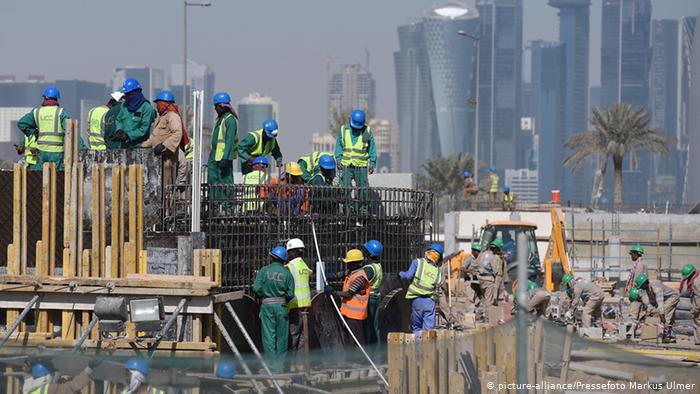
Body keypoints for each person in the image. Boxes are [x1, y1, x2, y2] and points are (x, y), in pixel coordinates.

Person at [252, 246, 295, 370]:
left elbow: (256, 288)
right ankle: (279, 367)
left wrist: (265, 294)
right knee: (282, 337)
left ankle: (271, 366)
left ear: (272, 257)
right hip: (282, 308)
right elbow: (291, 294)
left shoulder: (264, 271)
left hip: (267, 307)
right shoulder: (287, 274)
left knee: (269, 336)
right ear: (283, 260)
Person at [141, 90, 184, 211]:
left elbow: (177, 133)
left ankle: (168, 215)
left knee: (167, 188)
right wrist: (141, 147)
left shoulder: (172, 116)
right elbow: (154, 138)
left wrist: (164, 145)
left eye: (158, 103)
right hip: (158, 159)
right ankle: (160, 213)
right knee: (158, 188)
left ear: (165, 103)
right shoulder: (162, 117)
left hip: (167, 160)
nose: (156, 106)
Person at [334, 109, 376, 214]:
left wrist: (372, 163)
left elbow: (372, 148)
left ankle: (363, 211)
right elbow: (339, 146)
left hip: (361, 166)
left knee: (363, 190)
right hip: (346, 165)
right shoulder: (343, 130)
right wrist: (338, 159)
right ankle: (349, 209)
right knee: (345, 188)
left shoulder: (367, 132)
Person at [325, 249, 371, 344]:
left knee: (355, 341)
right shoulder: (352, 272)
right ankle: (351, 358)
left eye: (348, 263)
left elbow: (349, 294)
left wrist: (333, 292)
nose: (347, 264)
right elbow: (341, 274)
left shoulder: (359, 277)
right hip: (348, 313)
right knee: (348, 339)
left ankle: (359, 359)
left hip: (355, 316)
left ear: (354, 264)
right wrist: (332, 275)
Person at [17, 86, 70, 170]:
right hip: (56, 152)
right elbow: (69, 130)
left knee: (40, 177)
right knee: (58, 177)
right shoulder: (61, 112)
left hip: (41, 152)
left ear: (45, 98)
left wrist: (33, 132)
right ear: (56, 99)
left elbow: (22, 123)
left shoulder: (36, 112)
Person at [400, 243, 444, 333]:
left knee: (416, 326)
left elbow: (407, 276)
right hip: (430, 302)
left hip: (417, 300)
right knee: (428, 330)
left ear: (427, 252)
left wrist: (400, 273)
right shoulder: (438, 271)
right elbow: (440, 283)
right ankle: (427, 346)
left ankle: (418, 345)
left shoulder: (418, 262)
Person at [631, 273, 680, 343]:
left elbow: (660, 303)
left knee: (665, 314)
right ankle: (670, 335)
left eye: (641, 286)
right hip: (665, 298)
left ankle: (666, 336)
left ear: (645, 284)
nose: (641, 288)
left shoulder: (656, 287)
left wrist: (661, 313)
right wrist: (648, 312)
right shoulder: (647, 288)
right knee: (659, 314)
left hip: (672, 297)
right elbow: (650, 303)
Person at [285, 238, 312, 352]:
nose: (287, 254)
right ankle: (300, 362)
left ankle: (291, 362)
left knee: (293, 334)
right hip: (306, 304)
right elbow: (311, 273)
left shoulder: (290, 267)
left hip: (295, 304)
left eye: (289, 251)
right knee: (302, 335)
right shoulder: (304, 266)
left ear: (293, 252)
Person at [114, 78, 156, 148]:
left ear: (136, 93)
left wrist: (128, 135)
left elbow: (144, 129)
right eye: (125, 94)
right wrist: (119, 130)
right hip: (124, 147)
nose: (126, 97)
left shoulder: (147, 108)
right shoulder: (124, 106)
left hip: (140, 147)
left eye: (128, 94)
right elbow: (118, 119)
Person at [208, 92, 239, 185]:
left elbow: (229, 141)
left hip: (223, 157)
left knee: (225, 181)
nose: (215, 108)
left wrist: (225, 158)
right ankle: (213, 199)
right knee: (213, 180)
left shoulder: (230, 120)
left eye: (216, 106)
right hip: (214, 156)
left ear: (222, 106)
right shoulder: (219, 119)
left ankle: (226, 200)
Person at [23, 359, 100, 394]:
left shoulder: (30, 389)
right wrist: (90, 367)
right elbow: (73, 386)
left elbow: (27, 377)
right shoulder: (50, 389)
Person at [361, 240, 383, 345]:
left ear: (369, 254)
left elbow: (360, 281)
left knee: (368, 327)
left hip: (369, 299)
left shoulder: (369, 268)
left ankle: (369, 350)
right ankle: (377, 350)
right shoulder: (378, 266)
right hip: (376, 297)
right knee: (375, 326)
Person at [625, 244, 649, 325]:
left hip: (638, 291)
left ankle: (631, 331)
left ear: (636, 254)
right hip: (642, 290)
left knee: (634, 311)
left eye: (632, 254)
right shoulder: (642, 263)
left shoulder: (639, 265)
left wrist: (633, 292)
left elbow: (637, 280)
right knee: (641, 310)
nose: (631, 256)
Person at [476, 242, 504, 308]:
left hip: (480, 278)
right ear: (495, 249)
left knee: (484, 298)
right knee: (489, 300)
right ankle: (487, 316)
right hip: (488, 279)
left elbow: (476, 264)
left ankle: (482, 313)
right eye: (497, 250)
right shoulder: (493, 257)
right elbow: (495, 271)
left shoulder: (482, 254)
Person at [680, 264, 700, 345]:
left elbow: (698, 297)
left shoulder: (695, 283)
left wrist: (696, 309)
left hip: (698, 305)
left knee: (697, 323)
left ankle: (698, 341)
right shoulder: (698, 277)